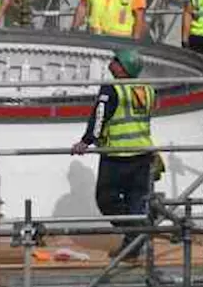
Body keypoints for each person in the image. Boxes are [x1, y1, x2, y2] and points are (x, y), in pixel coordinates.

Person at [70, 48, 156, 259]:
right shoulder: (147, 89)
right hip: (143, 153)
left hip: (117, 154)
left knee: (106, 200)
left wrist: (86, 141)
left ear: (123, 67)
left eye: (116, 60)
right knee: (136, 200)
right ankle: (134, 241)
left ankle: (135, 233)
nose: (112, 62)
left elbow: (100, 117)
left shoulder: (112, 89)